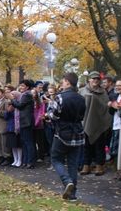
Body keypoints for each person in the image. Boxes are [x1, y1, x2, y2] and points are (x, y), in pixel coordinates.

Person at [47, 73, 86, 201]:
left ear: (68, 82)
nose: (62, 84)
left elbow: (55, 115)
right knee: (73, 164)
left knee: (56, 159)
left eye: (63, 81)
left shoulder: (60, 97)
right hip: (78, 133)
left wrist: (49, 113)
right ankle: (72, 194)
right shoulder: (81, 98)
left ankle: (66, 180)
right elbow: (82, 115)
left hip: (63, 133)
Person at [79, 71, 112, 176]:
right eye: (93, 78)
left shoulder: (103, 92)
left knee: (99, 146)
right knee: (86, 146)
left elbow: (106, 107)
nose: (95, 80)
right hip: (85, 122)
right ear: (89, 79)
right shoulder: (82, 91)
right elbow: (79, 106)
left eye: (97, 79)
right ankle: (86, 165)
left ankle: (99, 166)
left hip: (99, 123)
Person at [7, 80, 37, 169]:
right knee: (24, 142)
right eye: (20, 85)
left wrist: (12, 99)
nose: (21, 87)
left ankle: (30, 162)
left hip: (26, 122)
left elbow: (19, 105)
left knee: (28, 142)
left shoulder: (27, 95)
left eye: (23, 86)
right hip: (23, 121)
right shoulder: (24, 94)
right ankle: (25, 161)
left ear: (27, 87)